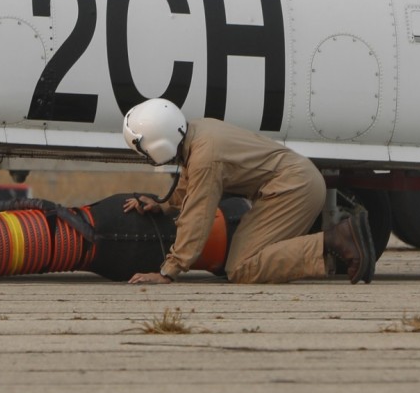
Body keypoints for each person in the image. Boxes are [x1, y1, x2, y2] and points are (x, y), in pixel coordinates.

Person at [121, 98, 375, 285]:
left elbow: (197, 216)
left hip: (293, 189)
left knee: (242, 268)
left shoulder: (206, 158)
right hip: (295, 182)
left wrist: (168, 272)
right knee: (246, 260)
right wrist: (164, 206)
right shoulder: (197, 132)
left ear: (158, 144)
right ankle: (339, 248)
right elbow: (191, 184)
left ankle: (335, 242)